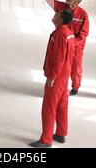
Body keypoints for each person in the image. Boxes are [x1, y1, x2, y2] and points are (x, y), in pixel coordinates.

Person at [30, 10, 76, 148]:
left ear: (61, 20)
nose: (55, 15)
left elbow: (59, 59)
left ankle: (46, 140)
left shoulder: (61, 35)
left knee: (49, 107)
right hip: (64, 76)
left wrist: (52, 77)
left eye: (57, 14)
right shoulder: (68, 33)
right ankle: (61, 133)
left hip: (57, 77)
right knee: (62, 105)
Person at [45, 0, 89, 96]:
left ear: (76, 2)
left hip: (75, 47)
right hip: (60, 43)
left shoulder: (83, 14)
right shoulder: (62, 7)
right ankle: (58, 83)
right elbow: (50, 1)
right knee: (58, 64)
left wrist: (72, 43)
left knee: (75, 67)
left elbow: (83, 34)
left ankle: (75, 87)